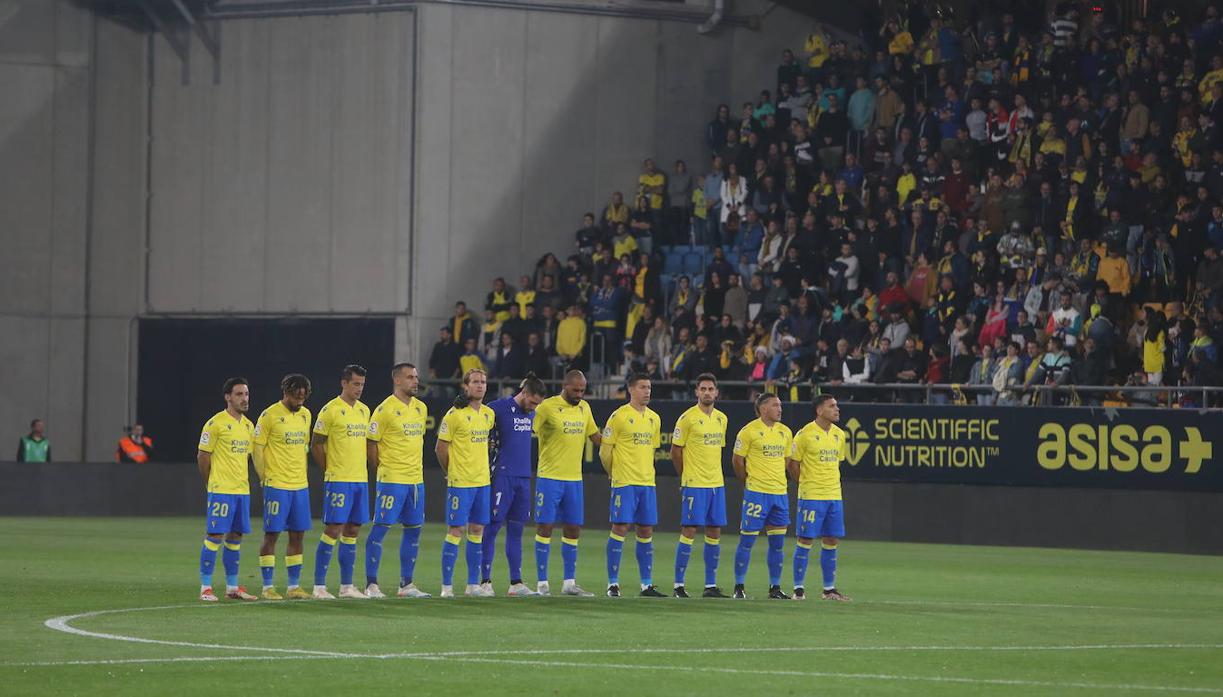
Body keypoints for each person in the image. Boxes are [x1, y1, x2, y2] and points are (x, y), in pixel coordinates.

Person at [363, 364, 431, 600]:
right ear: (398, 381)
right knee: (380, 529)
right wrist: (381, 468)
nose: (415, 381)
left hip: (416, 481)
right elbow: (371, 443)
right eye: (410, 377)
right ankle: (371, 585)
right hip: (392, 479)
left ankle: (406, 584)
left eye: (416, 377)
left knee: (414, 531)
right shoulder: (384, 410)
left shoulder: (421, 408)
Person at [532, 370, 603, 596]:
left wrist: (620, 446)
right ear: (565, 385)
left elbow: (595, 437)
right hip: (549, 478)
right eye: (576, 390)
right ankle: (542, 583)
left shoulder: (585, 408)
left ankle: (569, 583)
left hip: (574, 480)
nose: (579, 394)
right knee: (545, 526)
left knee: (573, 528)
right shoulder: (546, 407)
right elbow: (527, 430)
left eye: (582, 390)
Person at [480, 374, 548, 597]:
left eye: (538, 404)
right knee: (492, 528)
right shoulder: (497, 408)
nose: (534, 407)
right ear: (524, 392)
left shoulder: (531, 412)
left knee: (517, 530)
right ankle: (484, 582)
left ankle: (516, 583)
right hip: (501, 476)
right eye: (532, 402)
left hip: (523, 477)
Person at [310, 364, 371, 600]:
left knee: (353, 529)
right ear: (344, 383)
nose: (359, 389)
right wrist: (329, 470)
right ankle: (319, 586)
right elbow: (316, 443)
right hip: (339, 480)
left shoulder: (365, 411)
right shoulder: (330, 410)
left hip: (360, 479)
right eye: (355, 384)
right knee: (333, 529)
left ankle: (347, 586)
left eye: (362, 385)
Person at [599, 373, 664, 597]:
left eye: (649, 387)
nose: (647, 391)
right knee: (620, 527)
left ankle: (646, 584)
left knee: (646, 530)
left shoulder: (655, 418)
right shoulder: (618, 417)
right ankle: (612, 584)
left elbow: (653, 450)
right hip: (625, 481)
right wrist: (612, 473)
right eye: (643, 387)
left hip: (647, 482)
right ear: (631, 390)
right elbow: (605, 451)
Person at [435, 368, 496, 598]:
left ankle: (472, 585)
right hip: (460, 482)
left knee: (477, 530)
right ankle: (447, 587)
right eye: (475, 382)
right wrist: (451, 471)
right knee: (455, 530)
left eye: (483, 382)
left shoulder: (489, 415)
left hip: (482, 482)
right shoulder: (454, 415)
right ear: (466, 386)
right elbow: (440, 448)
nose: (480, 385)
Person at [252, 374, 313, 600]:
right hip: (276, 484)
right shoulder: (269, 416)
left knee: (298, 535)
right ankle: (268, 586)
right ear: (286, 392)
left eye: (303, 396)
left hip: (300, 486)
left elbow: (303, 448)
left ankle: (293, 586)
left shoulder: (306, 415)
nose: (300, 400)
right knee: (272, 534)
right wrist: (264, 477)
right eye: (296, 396)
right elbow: (257, 448)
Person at [196, 377, 257, 602]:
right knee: (214, 536)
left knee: (236, 536)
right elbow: (203, 456)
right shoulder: (215, 424)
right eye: (239, 394)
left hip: (242, 490)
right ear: (228, 397)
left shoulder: (249, 426)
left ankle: (232, 587)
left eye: (247, 394)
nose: (244, 399)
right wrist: (210, 483)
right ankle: (205, 588)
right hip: (221, 489)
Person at [670, 374, 730, 599]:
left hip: (717, 484)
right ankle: (678, 585)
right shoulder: (686, 418)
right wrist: (685, 477)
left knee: (714, 531)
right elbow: (676, 451)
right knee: (689, 531)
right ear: (696, 392)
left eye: (711, 389)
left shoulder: (722, 419)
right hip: (695, 483)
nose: (707, 392)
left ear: (716, 393)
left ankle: (710, 586)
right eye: (703, 388)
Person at [787, 395, 851, 601]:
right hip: (812, 495)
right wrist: (805, 484)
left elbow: (837, 463)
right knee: (805, 539)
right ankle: (798, 590)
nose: (837, 409)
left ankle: (829, 590)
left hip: (834, 495)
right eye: (832, 406)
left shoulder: (839, 435)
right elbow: (793, 464)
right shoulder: (804, 435)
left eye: (836, 405)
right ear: (819, 410)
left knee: (831, 539)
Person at [731, 393, 794, 600]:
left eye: (780, 405)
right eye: (776, 405)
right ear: (764, 408)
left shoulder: (785, 432)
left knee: (778, 544)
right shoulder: (748, 431)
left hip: (779, 494)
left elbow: (786, 462)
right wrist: (747, 482)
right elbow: (737, 461)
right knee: (747, 541)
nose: (780, 409)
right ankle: (739, 586)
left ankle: (775, 588)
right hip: (757, 494)